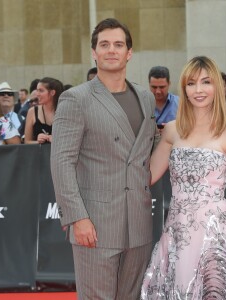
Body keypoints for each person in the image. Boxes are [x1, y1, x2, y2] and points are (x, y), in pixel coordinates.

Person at [141, 56, 226, 299]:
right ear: (184, 88)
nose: (198, 90)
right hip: (178, 231)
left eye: (206, 82)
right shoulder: (173, 130)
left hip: (216, 232)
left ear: (217, 86)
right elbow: (148, 176)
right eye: (191, 83)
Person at [50, 18, 156, 300]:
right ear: (94, 52)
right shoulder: (76, 99)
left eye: (118, 44)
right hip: (95, 225)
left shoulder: (145, 98)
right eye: (104, 44)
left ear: (129, 53)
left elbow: (150, 148)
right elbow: (62, 163)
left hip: (139, 222)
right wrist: (77, 217)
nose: (112, 50)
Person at [24, 77, 63, 144]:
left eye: (41, 91)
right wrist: (38, 141)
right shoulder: (32, 111)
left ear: (52, 92)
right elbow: (27, 142)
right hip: (39, 153)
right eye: (37, 90)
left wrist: (57, 139)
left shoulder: (64, 111)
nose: (37, 94)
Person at [148, 66, 179, 131]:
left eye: (162, 87)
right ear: (149, 84)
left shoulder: (180, 103)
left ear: (169, 84)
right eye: (154, 87)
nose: (158, 91)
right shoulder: (142, 105)